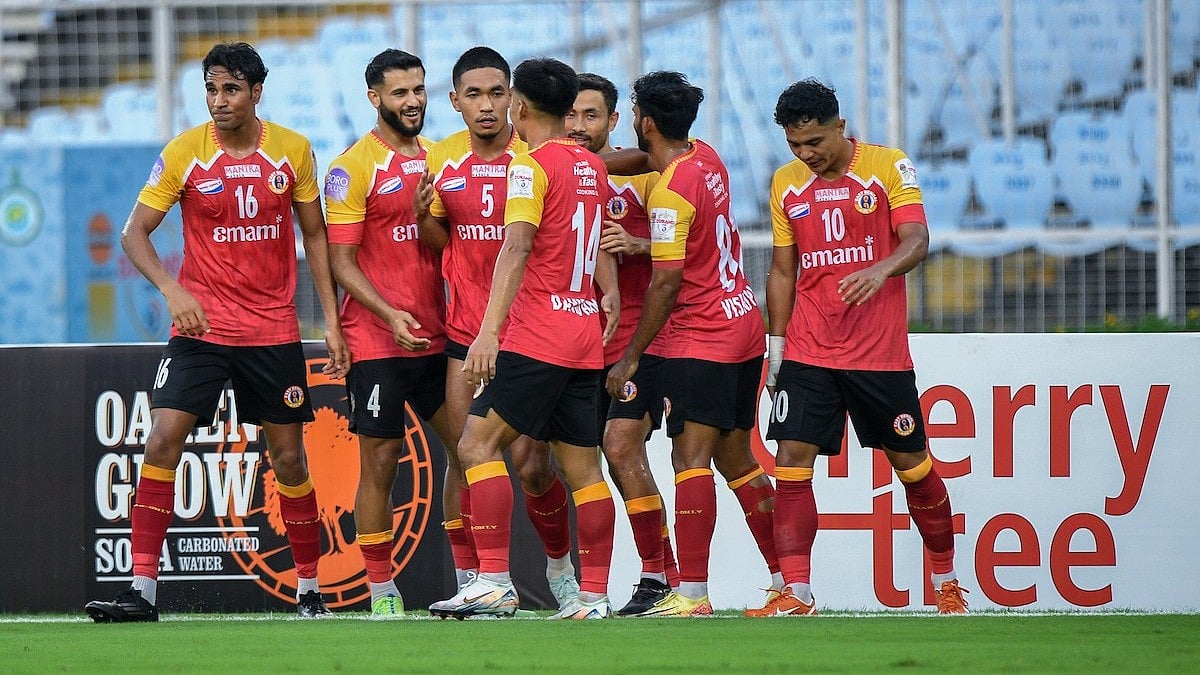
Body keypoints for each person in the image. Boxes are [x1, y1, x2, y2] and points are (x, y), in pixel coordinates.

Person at [84, 41, 349, 622]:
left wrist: (331, 320)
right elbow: (134, 234)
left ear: (256, 92)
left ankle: (309, 592)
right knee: (161, 440)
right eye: (210, 89)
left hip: (272, 332)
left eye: (231, 89)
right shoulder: (184, 152)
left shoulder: (293, 152)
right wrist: (175, 293)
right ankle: (143, 592)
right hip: (201, 329)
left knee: (288, 461)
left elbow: (317, 238)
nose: (219, 101)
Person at [750, 78, 967, 616]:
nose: (807, 155)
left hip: (878, 355)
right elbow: (783, 269)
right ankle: (796, 594)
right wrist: (776, 348)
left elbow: (917, 240)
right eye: (795, 146)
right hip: (808, 348)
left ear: (839, 128)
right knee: (791, 461)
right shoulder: (786, 183)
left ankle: (947, 583)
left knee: (913, 467)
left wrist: (879, 269)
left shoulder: (888, 166)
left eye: (815, 142)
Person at [427, 57, 619, 620]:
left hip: (537, 337)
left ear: (520, 107)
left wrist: (488, 333)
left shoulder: (529, 168)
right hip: (584, 334)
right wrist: (606, 293)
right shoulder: (590, 166)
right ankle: (593, 596)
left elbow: (516, 248)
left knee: (475, 447)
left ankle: (491, 581)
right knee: (583, 469)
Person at [605, 71, 779, 617]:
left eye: (634, 114)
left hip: (702, 335)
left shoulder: (671, 195)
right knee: (737, 459)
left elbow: (666, 281)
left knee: (690, 458)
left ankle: (692, 594)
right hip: (743, 322)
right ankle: (783, 578)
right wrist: (577, 164)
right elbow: (642, 162)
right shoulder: (706, 158)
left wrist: (632, 356)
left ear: (645, 121)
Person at [324, 48, 452, 618]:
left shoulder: (443, 161)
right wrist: (387, 314)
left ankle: (477, 577)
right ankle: (381, 591)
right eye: (400, 93)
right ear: (375, 98)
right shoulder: (351, 167)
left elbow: (445, 246)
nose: (413, 101)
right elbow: (341, 262)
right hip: (377, 342)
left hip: (441, 336)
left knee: (472, 452)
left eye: (419, 89)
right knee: (380, 462)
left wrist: (430, 219)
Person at [566, 72, 680, 616]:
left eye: (591, 115)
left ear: (614, 121)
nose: (578, 126)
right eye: (570, 115)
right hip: (575, 341)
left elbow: (689, 252)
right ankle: (594, 582)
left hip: (640, 338)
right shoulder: (554, 177)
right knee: (572, 460)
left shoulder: (649, 179)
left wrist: (638, 242)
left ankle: (662, 576)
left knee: (620, 447)